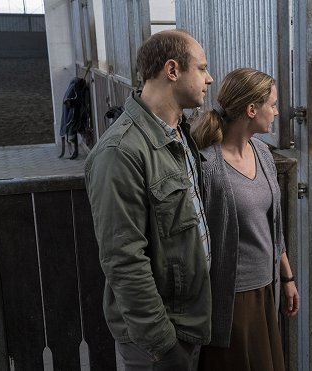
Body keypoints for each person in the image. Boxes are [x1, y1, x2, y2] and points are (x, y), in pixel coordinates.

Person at [84, 30, 213, 371]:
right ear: (173, 71)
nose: (210, 78)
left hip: (187, 323)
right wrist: (162, 344)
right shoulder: (120, 151)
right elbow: (123, 259)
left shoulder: (178, 134)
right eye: (201, 68)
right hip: (158, 339)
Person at [191, 68, 300, 371]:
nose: (277, 112)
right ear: (252, 110)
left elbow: (272, 227)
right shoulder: (208, 165)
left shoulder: (263, 153)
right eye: (273, 104)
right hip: (231, 299)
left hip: (267, 289)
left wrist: (287, 278)